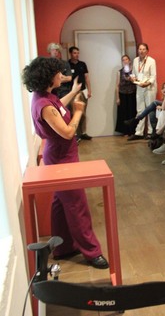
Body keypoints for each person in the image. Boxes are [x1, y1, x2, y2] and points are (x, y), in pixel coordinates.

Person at [22, 57, 108, 269]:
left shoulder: (45, 97)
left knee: (60, 203)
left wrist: (74, 91)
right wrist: (78, 111)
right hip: (61, 157)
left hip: (62, 155)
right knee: (77, 204)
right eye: (58, 73)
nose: (61, 75)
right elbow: (68, 132)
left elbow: (58, 106)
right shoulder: (44, 105)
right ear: (48, 77)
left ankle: (63, 247)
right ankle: (92, 251)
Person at [129, 43, 157, 138]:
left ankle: (150, 132)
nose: (141, 51)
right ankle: (139, 132)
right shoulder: (135, 60)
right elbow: (133, 73)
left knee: (150, 109)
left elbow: (153, 76)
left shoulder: (151, 61)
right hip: (139, 87)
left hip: (149, 88)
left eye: (143, 49)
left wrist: (147, 84)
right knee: (140, 109)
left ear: (147, 51)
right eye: (140, 49)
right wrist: (132, 78)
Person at [114, 54, 137, 136]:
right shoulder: (119, 72)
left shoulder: (134, 71)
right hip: (122, 94)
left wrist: (131, 79)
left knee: (132, 112)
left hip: (132, 94)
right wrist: (117, 98)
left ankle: (132, 131)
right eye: (123, 60)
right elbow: (117, 85)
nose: (125, 61)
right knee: (123, 113)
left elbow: (136, 81)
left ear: (129, 61)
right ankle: (125, 131)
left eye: (126, 59)